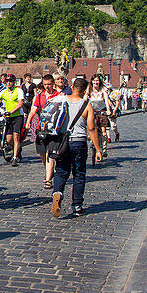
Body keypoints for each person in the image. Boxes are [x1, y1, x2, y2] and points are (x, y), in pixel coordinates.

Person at [50, 78, 103, 218]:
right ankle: (77, 206)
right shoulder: (86, 105)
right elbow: (91, 128)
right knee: (79, 174)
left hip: (62, 142)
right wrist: (98, 149)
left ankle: (57, 194)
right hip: (79, 142)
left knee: (61, 171)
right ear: (85, 90)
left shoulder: (62, 100)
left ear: (72, 87)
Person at [26, 73, 63, 190]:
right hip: (41, 128)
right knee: (42, 154)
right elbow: (33, 110)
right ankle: (49, 171)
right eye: (45, 84)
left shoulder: (58, 95)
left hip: (53, 129)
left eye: (49, 84)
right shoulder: (39, 96)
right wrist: (28, 121)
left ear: (53, 84)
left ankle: (48, 179)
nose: (47, 87)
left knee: (50, 154)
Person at [0, 74, 25, 166]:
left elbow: (20, 104)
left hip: (17, 116)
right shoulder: (4, 92)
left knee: (16, 137)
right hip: (8, 117)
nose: (8, 83)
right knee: (8, 140)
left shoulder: (18, 91)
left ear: (14, 82)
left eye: (11, 81)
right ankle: (17, 150)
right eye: (7, 81)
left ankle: (15, 158)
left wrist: (11, 111)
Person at [88, 75, 110, 151]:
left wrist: (108, 110)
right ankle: (92, 140)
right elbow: (85, 100)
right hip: (92, 112)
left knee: (103, 130)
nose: (95, 82)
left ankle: (104, 148)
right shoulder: (89, 90)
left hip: (101, 111)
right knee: (92, 128)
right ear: (91, 81)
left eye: (97, 80)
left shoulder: (103, 90)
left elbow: (106, 101)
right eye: (94, 80)